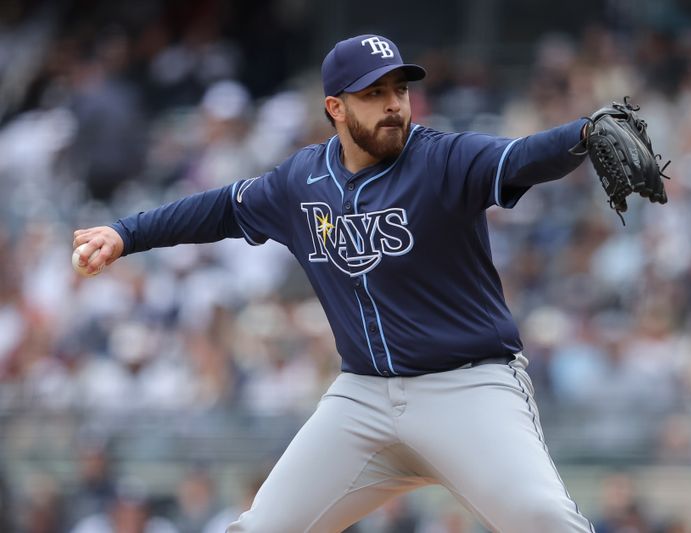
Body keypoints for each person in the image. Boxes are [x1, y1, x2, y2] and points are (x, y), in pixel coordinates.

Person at [73, 34, 599, 532]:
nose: (394, 104)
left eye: (399, 89)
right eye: (374, 93)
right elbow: (219, 209)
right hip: (362, 398)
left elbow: (522, 155)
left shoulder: (442, 158)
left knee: (545, 520)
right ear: (336, 108)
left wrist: (583, 134)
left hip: (466, 388)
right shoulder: (300, 181)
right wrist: (125, 234)